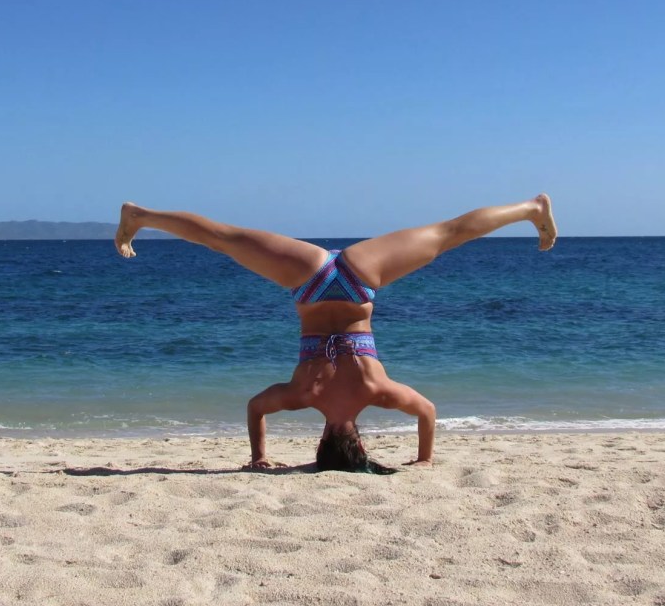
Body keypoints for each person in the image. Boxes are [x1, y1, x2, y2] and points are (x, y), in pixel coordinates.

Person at [113, 194, 557, 472]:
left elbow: (427, 412)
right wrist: (258, 457)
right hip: (308, 281)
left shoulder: (377, 392)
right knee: (223, 238)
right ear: (322, 441)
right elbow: (255, 408)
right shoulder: (302, 394)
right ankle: (141, 215)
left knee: (448, 234)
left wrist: (425, 458)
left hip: (359, 279)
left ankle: (530, 209)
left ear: (360, 442)